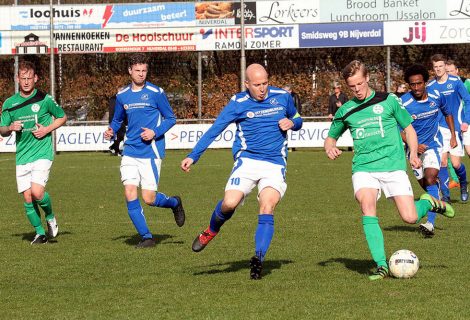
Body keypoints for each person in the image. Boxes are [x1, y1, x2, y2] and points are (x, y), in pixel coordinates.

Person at [324, 60, 455, 280]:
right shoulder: (346, 110)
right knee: (367, 205)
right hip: (364, 167)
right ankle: (381, 265)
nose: (356, 89)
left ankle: (429, 202)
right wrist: (330, 147)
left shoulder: (388, 100)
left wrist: (413, 154)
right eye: (351, 86)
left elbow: (409, 128)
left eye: (359, 83)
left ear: (367, 78)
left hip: (393, 165)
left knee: (410, 217)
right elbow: (330, 138)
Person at [181, 63, 303, 280]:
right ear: (247, 84)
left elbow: (298, 119)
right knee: (229, 203)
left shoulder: (282, 96)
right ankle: (210, 231)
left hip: (275, 163)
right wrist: (194, 155)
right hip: (247, 161)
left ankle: (258, 259)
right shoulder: (237, 103)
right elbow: (215, 129)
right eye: (257, 85)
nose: (262, 88)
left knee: (267, 205)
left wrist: (292, 123)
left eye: (265, 83)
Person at [104, 53, 185, 248]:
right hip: (130, 150)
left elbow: (171, 119)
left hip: (151, 152)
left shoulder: (156, 92)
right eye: (137, 70)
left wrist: (154, 132)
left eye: (144, 70)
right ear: (130, 71)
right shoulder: (122, 95)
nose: (141, 74)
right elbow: (117, 119)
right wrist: (111, 131)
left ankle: (174, 203)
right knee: (130, 191)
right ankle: (146, 237)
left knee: (148, 198)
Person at [0, 60, 67, 244]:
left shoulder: (44, 99)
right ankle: (40, 233)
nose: (27, 81)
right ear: (17, 79)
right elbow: (2, 129)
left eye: (30, 78)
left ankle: (51, 217)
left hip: (42, 153)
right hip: (22, 155)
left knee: (37, 192)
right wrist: (11, 127)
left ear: (36, 78)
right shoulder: (10, 103)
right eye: (23, 78)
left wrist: (46, 130)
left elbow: (62, 117)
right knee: (28, 197)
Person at [401, 64, 456, 237]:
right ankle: (438, 201)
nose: (416, 87)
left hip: (433, 145)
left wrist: (453, 135)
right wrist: (414, 146)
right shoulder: (404, 103)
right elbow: (398, 129)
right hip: (413, 151)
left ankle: (430, 224)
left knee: (431, 179)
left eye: (419, 83)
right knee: (426, 186)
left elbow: (448, 113)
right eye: (412, 84)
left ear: (425, 82)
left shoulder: (436, 95)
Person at [428, 54, 470, 203]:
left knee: (456, 163)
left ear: (445, 66)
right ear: (433, 69)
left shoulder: (456, 81)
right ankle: (445, 196)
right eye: (435, 67)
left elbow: (467, 100)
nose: (438, 69)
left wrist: (466, 121)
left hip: (456, 127)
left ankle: (463, 185)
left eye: (440, 66)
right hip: (439, 128)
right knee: (442, 162)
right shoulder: (430, 86)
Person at [445, 60, 470, 167]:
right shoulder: (443, 85)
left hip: (466, 121)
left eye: (452, 71)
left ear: (457, 71)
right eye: (447, 71)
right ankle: (455, 180)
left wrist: (467, 121)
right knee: (450, 152)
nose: (450, 73)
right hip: (451, 122)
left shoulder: (467, 83)